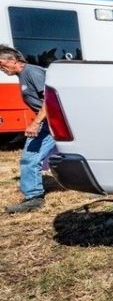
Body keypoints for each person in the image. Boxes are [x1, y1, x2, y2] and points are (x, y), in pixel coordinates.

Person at [0, 45, 56, 213]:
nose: (1, 68)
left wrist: (36, 123)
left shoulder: (32, 72)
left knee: (30, 157)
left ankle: (33, 197)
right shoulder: (23, 74)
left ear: (13, 60)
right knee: (31, 156)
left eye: (1, 64)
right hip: (49, 121)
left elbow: (50, 99)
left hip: (55, 121)